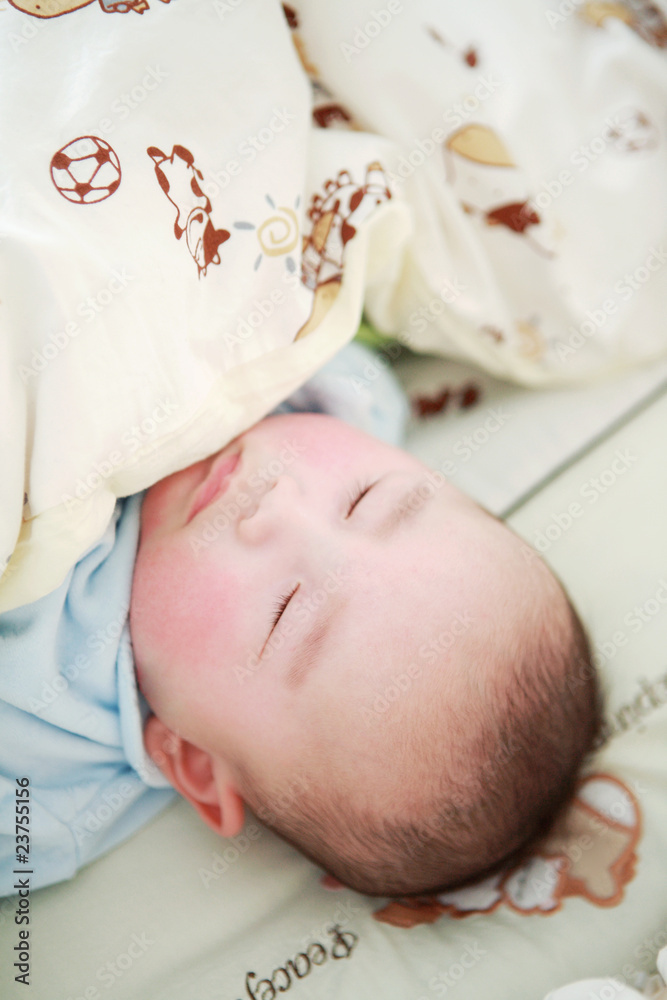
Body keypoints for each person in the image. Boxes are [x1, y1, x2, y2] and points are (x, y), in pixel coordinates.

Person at [130, 410, 602, 898]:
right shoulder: (339, 388)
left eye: (282, 614)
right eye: (367, 499)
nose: (278, 504)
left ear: (195, 761)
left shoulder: (54, 725)